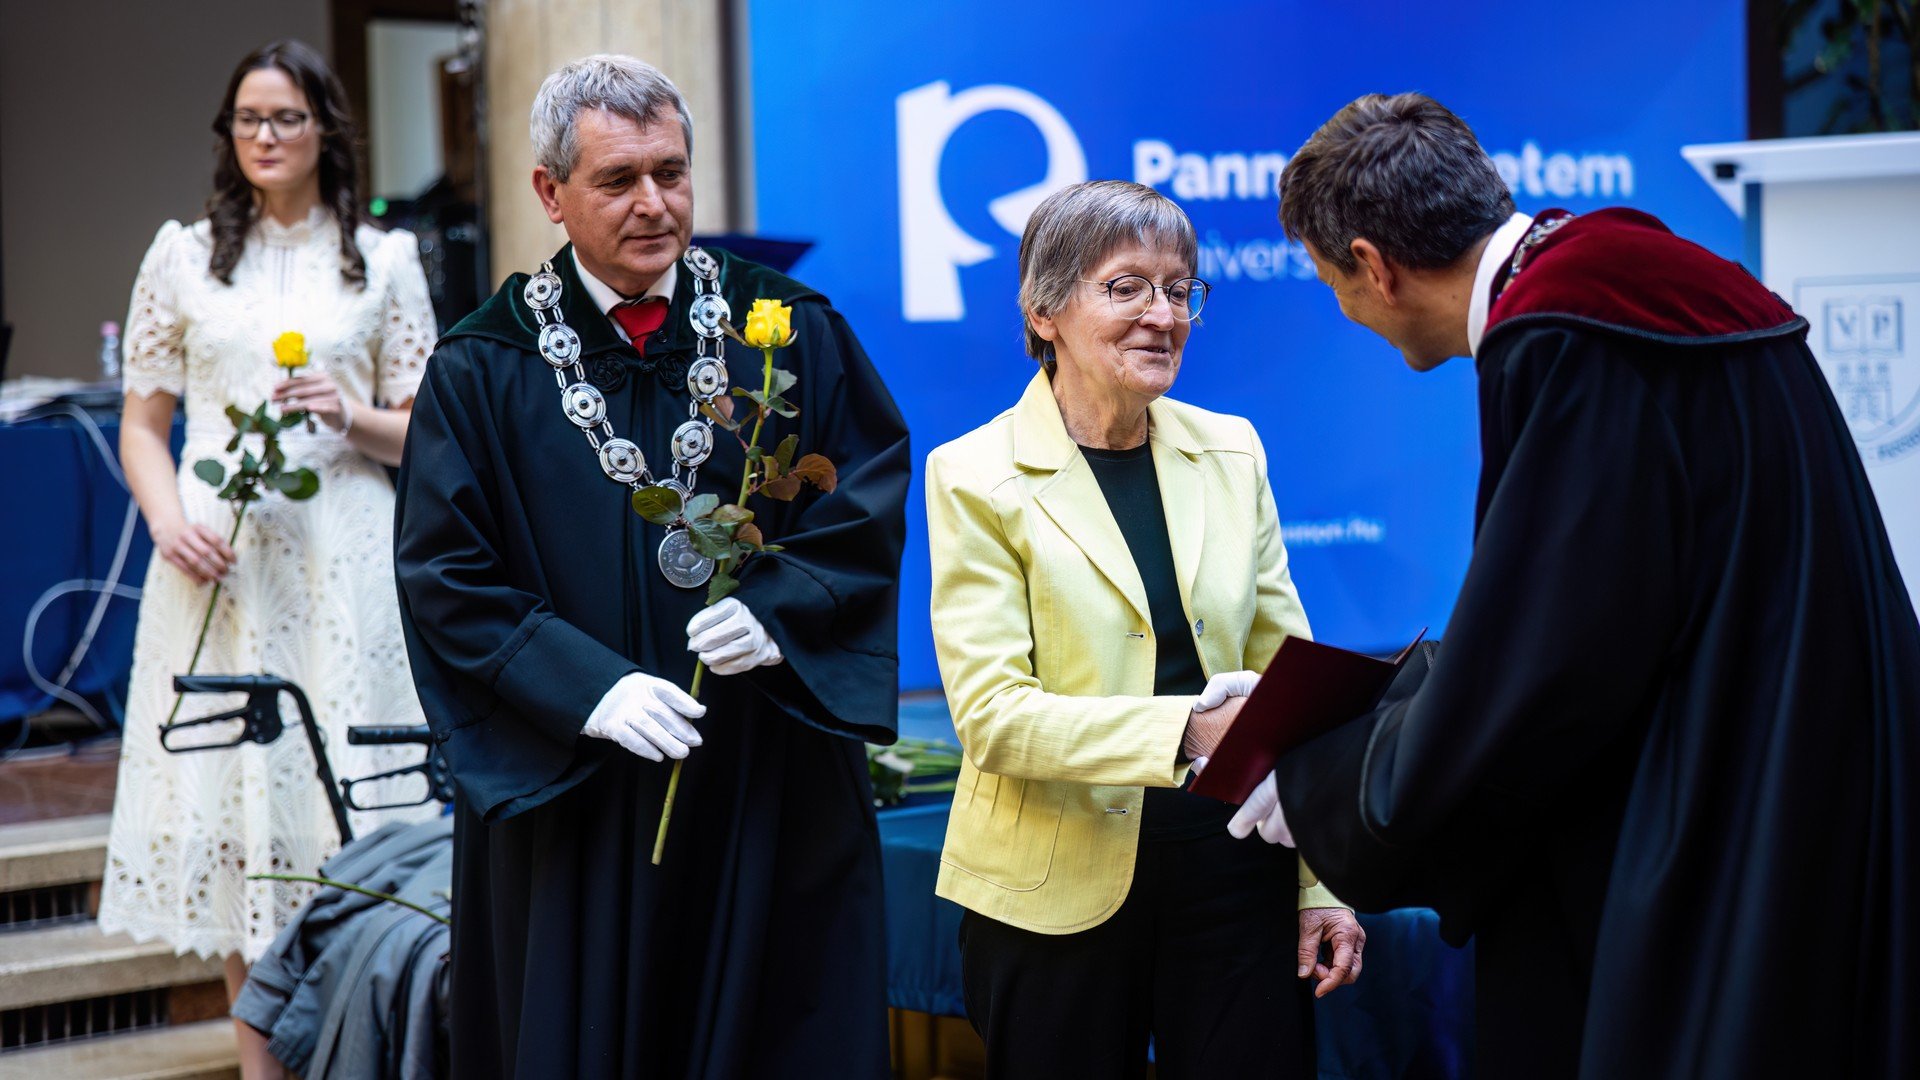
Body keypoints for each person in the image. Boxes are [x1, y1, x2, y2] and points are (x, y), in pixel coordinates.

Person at [1245, 92, 1920, 1079]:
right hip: (1812, 756)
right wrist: (1363, 705)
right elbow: (1603, 608)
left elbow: (1540, 672)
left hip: (1716, 804)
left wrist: (1320, 783)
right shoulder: (1656, 273)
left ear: (1373, 266)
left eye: (1331, 283)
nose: (1348, 313)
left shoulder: (1560, 334)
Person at [392, 55, 910, 1079]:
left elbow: (867, 490)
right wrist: (586, 687)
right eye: (617, 180)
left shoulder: (787, 330)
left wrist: (779, 609)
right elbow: (445, 573)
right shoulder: (481, 366)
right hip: (576, 794)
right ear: (550, 193)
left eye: (670, 173)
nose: (654, 204)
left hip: (765, 775)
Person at [924, 180, 1364, 1079]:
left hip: (1235, 869)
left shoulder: (1232, 450)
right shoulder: (972, 475)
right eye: (1126, 288)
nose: (1162, 316)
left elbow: (1292, 684)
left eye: (1178, 289)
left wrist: (1321, 882)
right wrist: (1188, 731)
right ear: (1044, 311)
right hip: (1051, 890)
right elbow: (995, 719)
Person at [101, 38, 439, 1078]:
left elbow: (429, 431)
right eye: (248, 119)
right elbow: (143, 425)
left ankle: (359, 1044)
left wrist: (352, 415)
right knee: (236, 804)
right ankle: (259, 1065)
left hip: (343, 554)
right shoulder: (182, 256)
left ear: (324, 128)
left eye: (286, 116)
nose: (265, 136)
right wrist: (167, 520)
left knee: (350, 798)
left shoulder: (384, 260)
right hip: (218, 559)